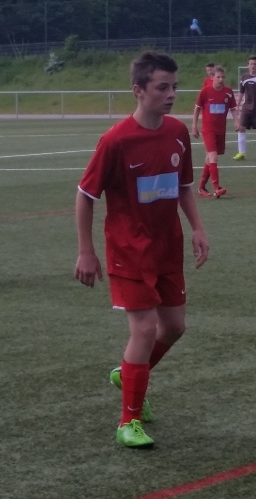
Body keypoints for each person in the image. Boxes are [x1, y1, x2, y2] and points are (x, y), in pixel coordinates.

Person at [74, 51, 209, 449]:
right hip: (128, 250)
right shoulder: (116, 140)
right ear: (138, 90)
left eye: (174, 87)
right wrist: (86, 251)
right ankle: (128, 422)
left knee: (174, 327)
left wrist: (198, 228)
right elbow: (85, 196)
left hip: (168, 248)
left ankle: (129, 374)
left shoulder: (177, 133)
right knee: (146, 329)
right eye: (162, 88)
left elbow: (183, 186)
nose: (171, 95)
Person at [191, 65, 238, 198]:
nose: (221, 79)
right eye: (218, 77)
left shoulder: (228, 92)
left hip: (221, 129)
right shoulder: (205, 91)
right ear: (212, 78)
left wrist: (237, 121)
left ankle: (201, 187)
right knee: (213, 156)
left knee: (209, 159)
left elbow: (233, 108)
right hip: (208, 129)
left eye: (223, 77)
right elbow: (197, 108)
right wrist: (194, 126)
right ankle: (217, 188)